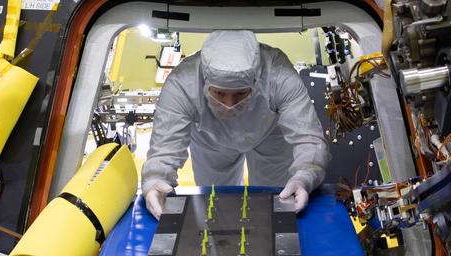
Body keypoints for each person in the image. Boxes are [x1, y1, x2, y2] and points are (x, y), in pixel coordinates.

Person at [141, 30, 329, 216]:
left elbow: (308, 139)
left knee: (277, 199)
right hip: (209, 140)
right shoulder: (182, 83)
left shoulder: (279, 75)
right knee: (217, 204)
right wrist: (155, 180)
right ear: (205, 81)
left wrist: (304, 178)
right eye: (219, 93)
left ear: (256, 81)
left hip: (270, 134)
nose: (229, 104)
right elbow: (164, 147)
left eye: (240, 93)